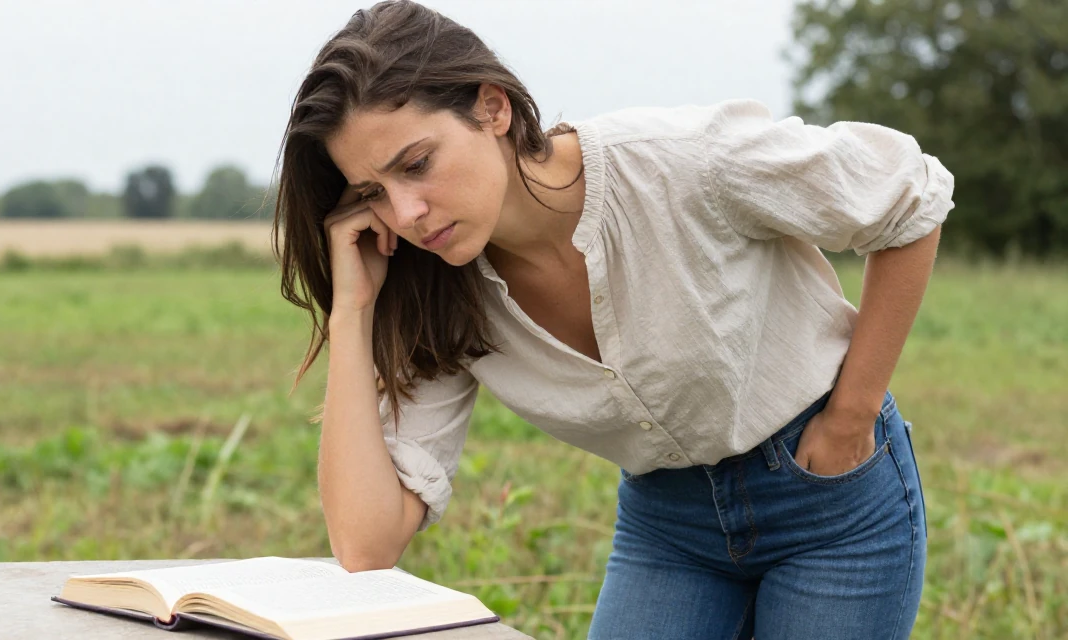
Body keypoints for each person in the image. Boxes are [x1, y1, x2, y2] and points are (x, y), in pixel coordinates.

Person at [272, 1, 951, 638]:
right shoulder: (440, 293)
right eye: (373, 194)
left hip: (828, 495)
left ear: (492, 107)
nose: (405, 213)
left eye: (417, 164)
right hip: (669, 527)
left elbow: (909, 195)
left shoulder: (685, 161)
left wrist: (852, 416)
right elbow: (366, 543)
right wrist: (355, 311)